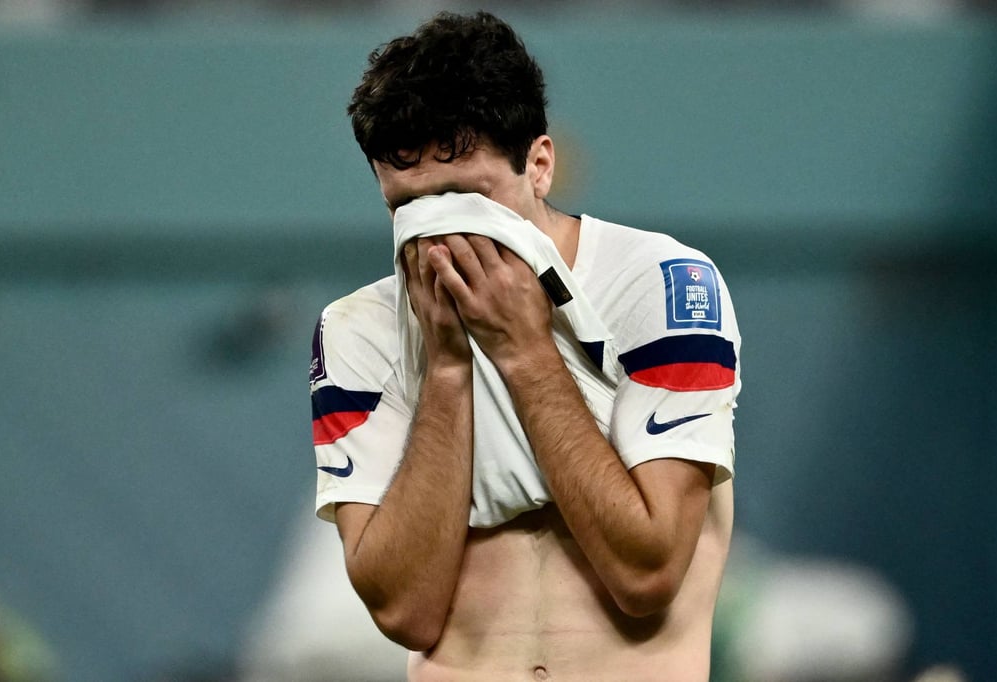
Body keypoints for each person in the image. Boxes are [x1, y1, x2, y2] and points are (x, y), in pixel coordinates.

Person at [309, 11, 741, 681]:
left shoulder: (661, 287)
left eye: (464, 197)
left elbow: (647, 573)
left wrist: (525, 351)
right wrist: (446, 368)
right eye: (408, 208)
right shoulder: (358, 331)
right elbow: (406, 614)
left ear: (539, 166)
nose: (442, 239)